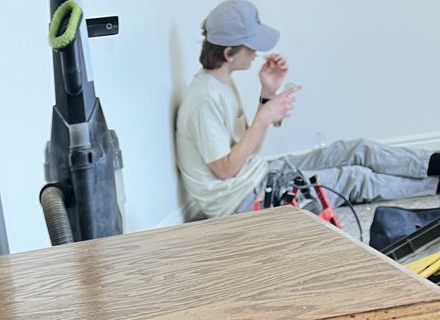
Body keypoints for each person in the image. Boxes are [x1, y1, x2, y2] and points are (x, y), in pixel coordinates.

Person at [176, 0, 440, 220]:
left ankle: (435, 164)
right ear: (229, 53)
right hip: (241, 201)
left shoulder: (222, 83)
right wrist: (264, 118)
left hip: (260, 174)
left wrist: (267, 93)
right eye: (251, 45)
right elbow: (225, 170)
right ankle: (435, 186)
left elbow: (248, 151)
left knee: (358, 148)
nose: (256, 52)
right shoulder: (203, 99)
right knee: (355, 178)